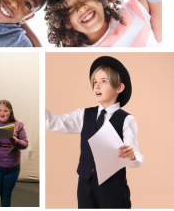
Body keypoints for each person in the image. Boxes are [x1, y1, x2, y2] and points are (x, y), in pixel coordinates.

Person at [46, 56, 143, 208]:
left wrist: (131, 155)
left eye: (104, 81)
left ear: (119, 87)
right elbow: (53, 123)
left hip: (113, 188)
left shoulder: (126, 120)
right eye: (95, 82)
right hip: (85, 185)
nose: (97, 86)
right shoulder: (83, 115)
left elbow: (135, 157)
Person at [45, 0, 160, 47]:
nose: (81, 7)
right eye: (69, 8)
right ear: (63, 23)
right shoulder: (78, 58)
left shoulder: (131, 11)